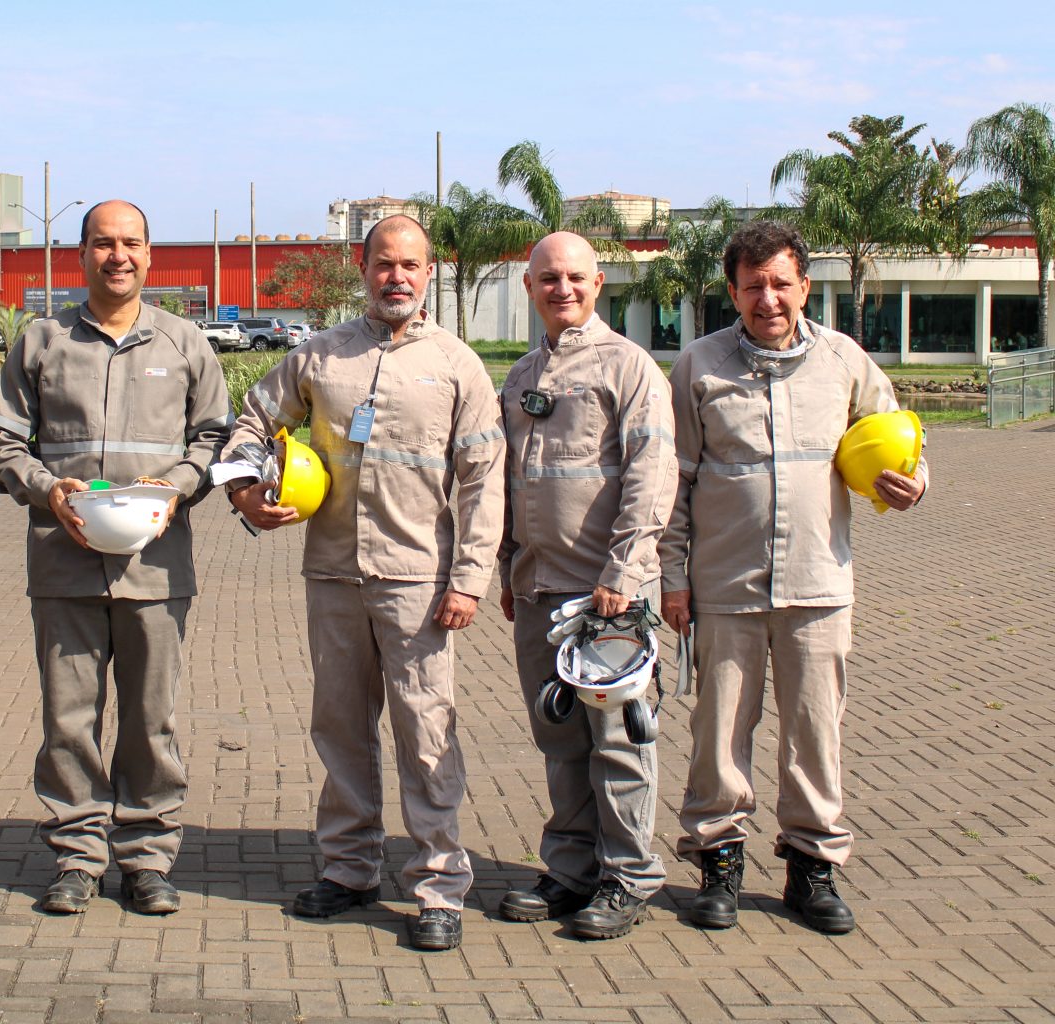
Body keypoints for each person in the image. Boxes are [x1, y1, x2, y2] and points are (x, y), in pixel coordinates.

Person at [226, 215, 505, 952]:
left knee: (425, 731)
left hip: (420, 581)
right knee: (342, 729)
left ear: (429, 271)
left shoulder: (456, 365)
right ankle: (349, 871)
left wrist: (470, 578)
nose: (398, 277)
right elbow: (250, 425)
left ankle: (439, 886)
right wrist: (249, 493)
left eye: (411, 265)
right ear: (364, 266)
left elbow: (483, 481)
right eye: (385, 264)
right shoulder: (319, 356)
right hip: (333, 577)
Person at [659, 221, 927, 935]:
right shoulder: (698, 366)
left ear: (805, 285)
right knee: (719, 732)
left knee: (815, 732)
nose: (768, 299)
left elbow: (897, 435)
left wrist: (914, 482)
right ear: (733, 291)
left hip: (817, 583)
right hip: (725, 586)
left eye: (781, 283)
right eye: (753, 286)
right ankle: (718, 860)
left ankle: (813, 866)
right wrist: (672, 579)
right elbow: (674, 483)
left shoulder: (844, 361)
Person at [0, 200, 229, 916]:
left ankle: (147, 858)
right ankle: (78, 856)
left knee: (152, 722)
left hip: (156, 568)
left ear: (149, 255)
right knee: (69, 722)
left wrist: (178, 487)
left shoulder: (183, 342)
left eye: (129, 243)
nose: (116, 255)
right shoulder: (42, 341)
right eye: (101, 243)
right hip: (63, 562)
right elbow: (0, 441)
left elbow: (214, 439)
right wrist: (45, 489)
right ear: (79, 254)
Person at [495, 232, 678, 939]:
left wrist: (625, 575)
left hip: (607, 597)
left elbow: (650, 475)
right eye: (548, 278)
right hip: (540, 589)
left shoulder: (629, 368)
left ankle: (628, 875)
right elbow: (514, 481)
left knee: (619, 744)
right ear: (529, 287)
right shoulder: (519, 376)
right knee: (560, 738)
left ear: (598, 283)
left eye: (575, 277)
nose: (562, 288)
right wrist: (512, 563)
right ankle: (571, 870)